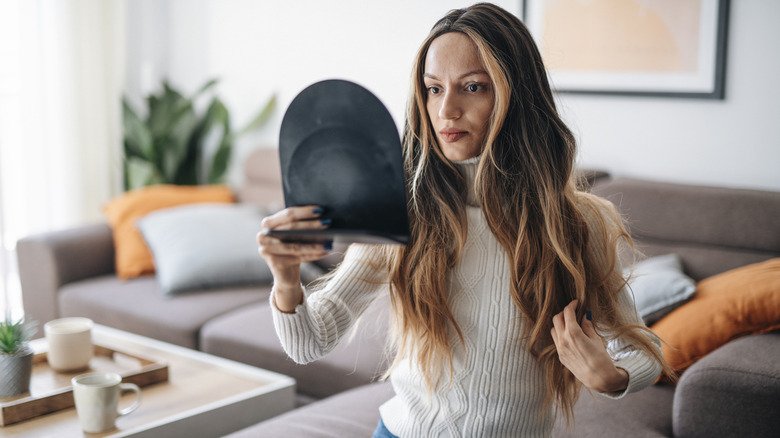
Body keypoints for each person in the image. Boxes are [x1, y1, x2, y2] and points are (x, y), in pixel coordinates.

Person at [258, 3, 675, 437]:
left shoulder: (574, 222)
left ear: (515, 95)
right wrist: (287, 281)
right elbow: (310, 341)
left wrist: (612, 377)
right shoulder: (404, 209)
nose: (446, 111)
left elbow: (644, 350)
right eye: (433, 89)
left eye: (472, 87)